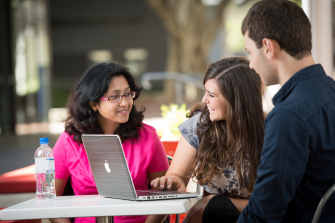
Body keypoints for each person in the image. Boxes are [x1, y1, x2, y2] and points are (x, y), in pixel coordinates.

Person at [203, 0, 335, 222]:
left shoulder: (289, 116)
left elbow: (264, 214)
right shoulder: (329, 91)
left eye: (250, 52)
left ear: (268, 47)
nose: (251, 65)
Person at [50, 62, 169, 223]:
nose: (125, 102)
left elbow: (164, 197)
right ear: (93, 104)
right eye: (114, 96)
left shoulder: (148, 136)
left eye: (128, 94)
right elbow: (50, 199)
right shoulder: (68, 141)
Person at [151, 57, 265, 223]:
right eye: (205, 92)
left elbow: (275, 202)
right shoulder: (201, 124)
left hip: (258, 216)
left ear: (236, 100)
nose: (204, 99)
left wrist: (211, 201)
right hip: (214, 217)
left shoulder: (271, 129)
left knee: (218, 206)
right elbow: (177, 175)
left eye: (211, 94)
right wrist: (174, 180)